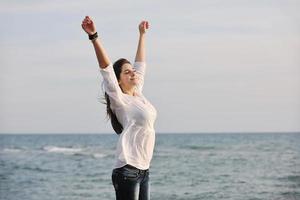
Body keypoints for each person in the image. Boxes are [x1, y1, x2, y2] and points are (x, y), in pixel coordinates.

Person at [81, 16, 157, 200]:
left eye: (133, 71)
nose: (133, 73)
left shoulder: (138, 94)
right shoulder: (119, 99)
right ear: (119, 80)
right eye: (127, 71)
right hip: (127, 170)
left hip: (143, 170)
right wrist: (94, 37)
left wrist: (142, 35)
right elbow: (106, 68)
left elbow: (141, 64)